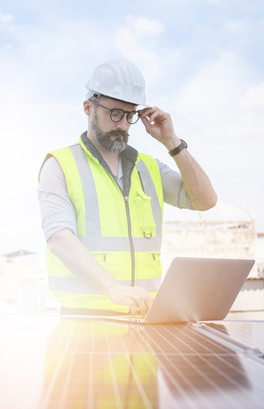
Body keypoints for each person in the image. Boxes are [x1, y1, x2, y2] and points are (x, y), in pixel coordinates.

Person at [38, 59, 217, 316]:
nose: (122, 125)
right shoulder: (60, 165)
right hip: (86, 320)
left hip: (146, 315)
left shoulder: (148, 167)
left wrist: (172, 142)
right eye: (114, 113)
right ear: (88, 107)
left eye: (130, 115)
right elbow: (59, 238)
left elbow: (205, 201)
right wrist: (114, 289)